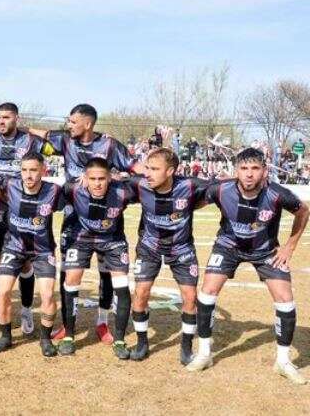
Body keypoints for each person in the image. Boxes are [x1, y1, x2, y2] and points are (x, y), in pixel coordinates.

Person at [186, 148, 309, 384]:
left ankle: (283, 362)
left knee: (285, 299)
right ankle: (204, 353)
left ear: (264, 171)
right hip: (227, 247)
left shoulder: (276, 193)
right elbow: (193, 203)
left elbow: (303, 210)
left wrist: (290, 246)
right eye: (244, 169)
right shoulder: (221, 189)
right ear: (236, 171)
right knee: (207, 292)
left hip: (265, 251)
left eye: (255, 169)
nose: (249, 174)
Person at [28, 104, 140, 344]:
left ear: (87, 124)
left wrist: (122, 176)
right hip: (74, 218)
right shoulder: (66, 140)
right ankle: (67, 324)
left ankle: (102, 321)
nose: (69, 125)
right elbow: (41, 134)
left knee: (107, 273)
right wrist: (0, 126)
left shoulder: (110, 145)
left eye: (73, 121)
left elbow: (135, 168)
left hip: (107, 220)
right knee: (68, 271)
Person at [0, 102, 55, 335]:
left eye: (6, 117)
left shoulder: (32, 141)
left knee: (26, 262)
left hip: (24, 210)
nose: (1, 121)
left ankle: (27, 310)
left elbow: (59, 147)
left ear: (17, 119)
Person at [125, 148, 209, 364]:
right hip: (149, 246)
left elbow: (223, 189)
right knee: (141, 293)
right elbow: (109, 183)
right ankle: (142, 343)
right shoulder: (139, 185)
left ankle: (186, 346)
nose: (149, 173)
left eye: (155, 169)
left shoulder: (190, 186)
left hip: (181, 249)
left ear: (170, 170)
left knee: (190, 297)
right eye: (147, 168)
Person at [59, 157, 136, 359]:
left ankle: (117, 337)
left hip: (113, 240)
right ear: (85, 177)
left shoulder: (123, 190)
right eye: (92, 178)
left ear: (110, 178)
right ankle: (69, 335)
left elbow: (152, 181)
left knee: (121, 284)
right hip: (81, 238)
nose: (97, 183)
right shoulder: (72, 189)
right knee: (71, 279)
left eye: (102, 178)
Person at [0, 151, 63, 357]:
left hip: (43, 250)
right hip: (14, 247)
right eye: (24, 170)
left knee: (48, 294)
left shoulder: (55, 190)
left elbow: (79, 191)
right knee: (3, 291)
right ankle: (6, 336)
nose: (28, 175)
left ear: (43, 170)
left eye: (33, 170)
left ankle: (45, 339)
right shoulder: (10, 186)